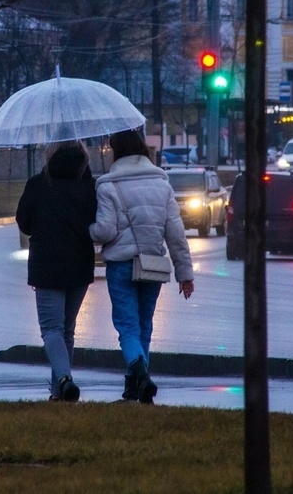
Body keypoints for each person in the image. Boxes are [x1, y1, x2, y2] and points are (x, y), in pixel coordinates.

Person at [90, 130, 195, 404]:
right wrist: (185, 274)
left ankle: (140, 376)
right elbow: (176, 235)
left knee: (127, 327)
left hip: (121, 266)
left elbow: (104, 231)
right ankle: (134, 385)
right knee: (144, 326)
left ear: (116, 153)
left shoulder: (107, 186)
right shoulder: (163, 185)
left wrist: (86, 229)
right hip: (153, 265)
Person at [16, 140, 97, 402]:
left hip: (47, 266)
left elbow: (24, 223)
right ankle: (58, 392)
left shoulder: (39, 184)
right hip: (80, 265)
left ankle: (63, 379)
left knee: (51, 330)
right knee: (67, 330)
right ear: (83, 156)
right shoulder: (89, 186)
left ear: (50, 154)